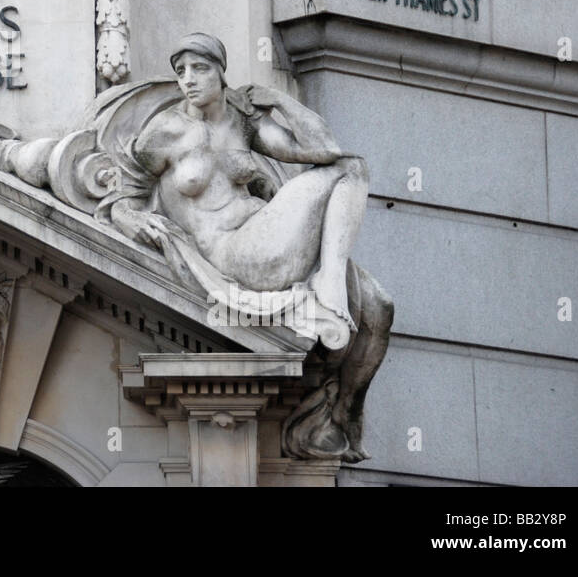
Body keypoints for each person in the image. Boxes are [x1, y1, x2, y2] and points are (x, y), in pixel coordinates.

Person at [108, 32, 392, 461]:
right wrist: (138, 221)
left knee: (379, 306)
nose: (189, 79)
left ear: (221, 72)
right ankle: (330, 288)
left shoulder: (242, 123)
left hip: (264, 235)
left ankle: (340, 415)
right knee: (350, 171)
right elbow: (122, 201)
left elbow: (324, 150)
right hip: (231, 255)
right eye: (181, 71)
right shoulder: (165, 131)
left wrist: (280, 101)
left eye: (200, 68)